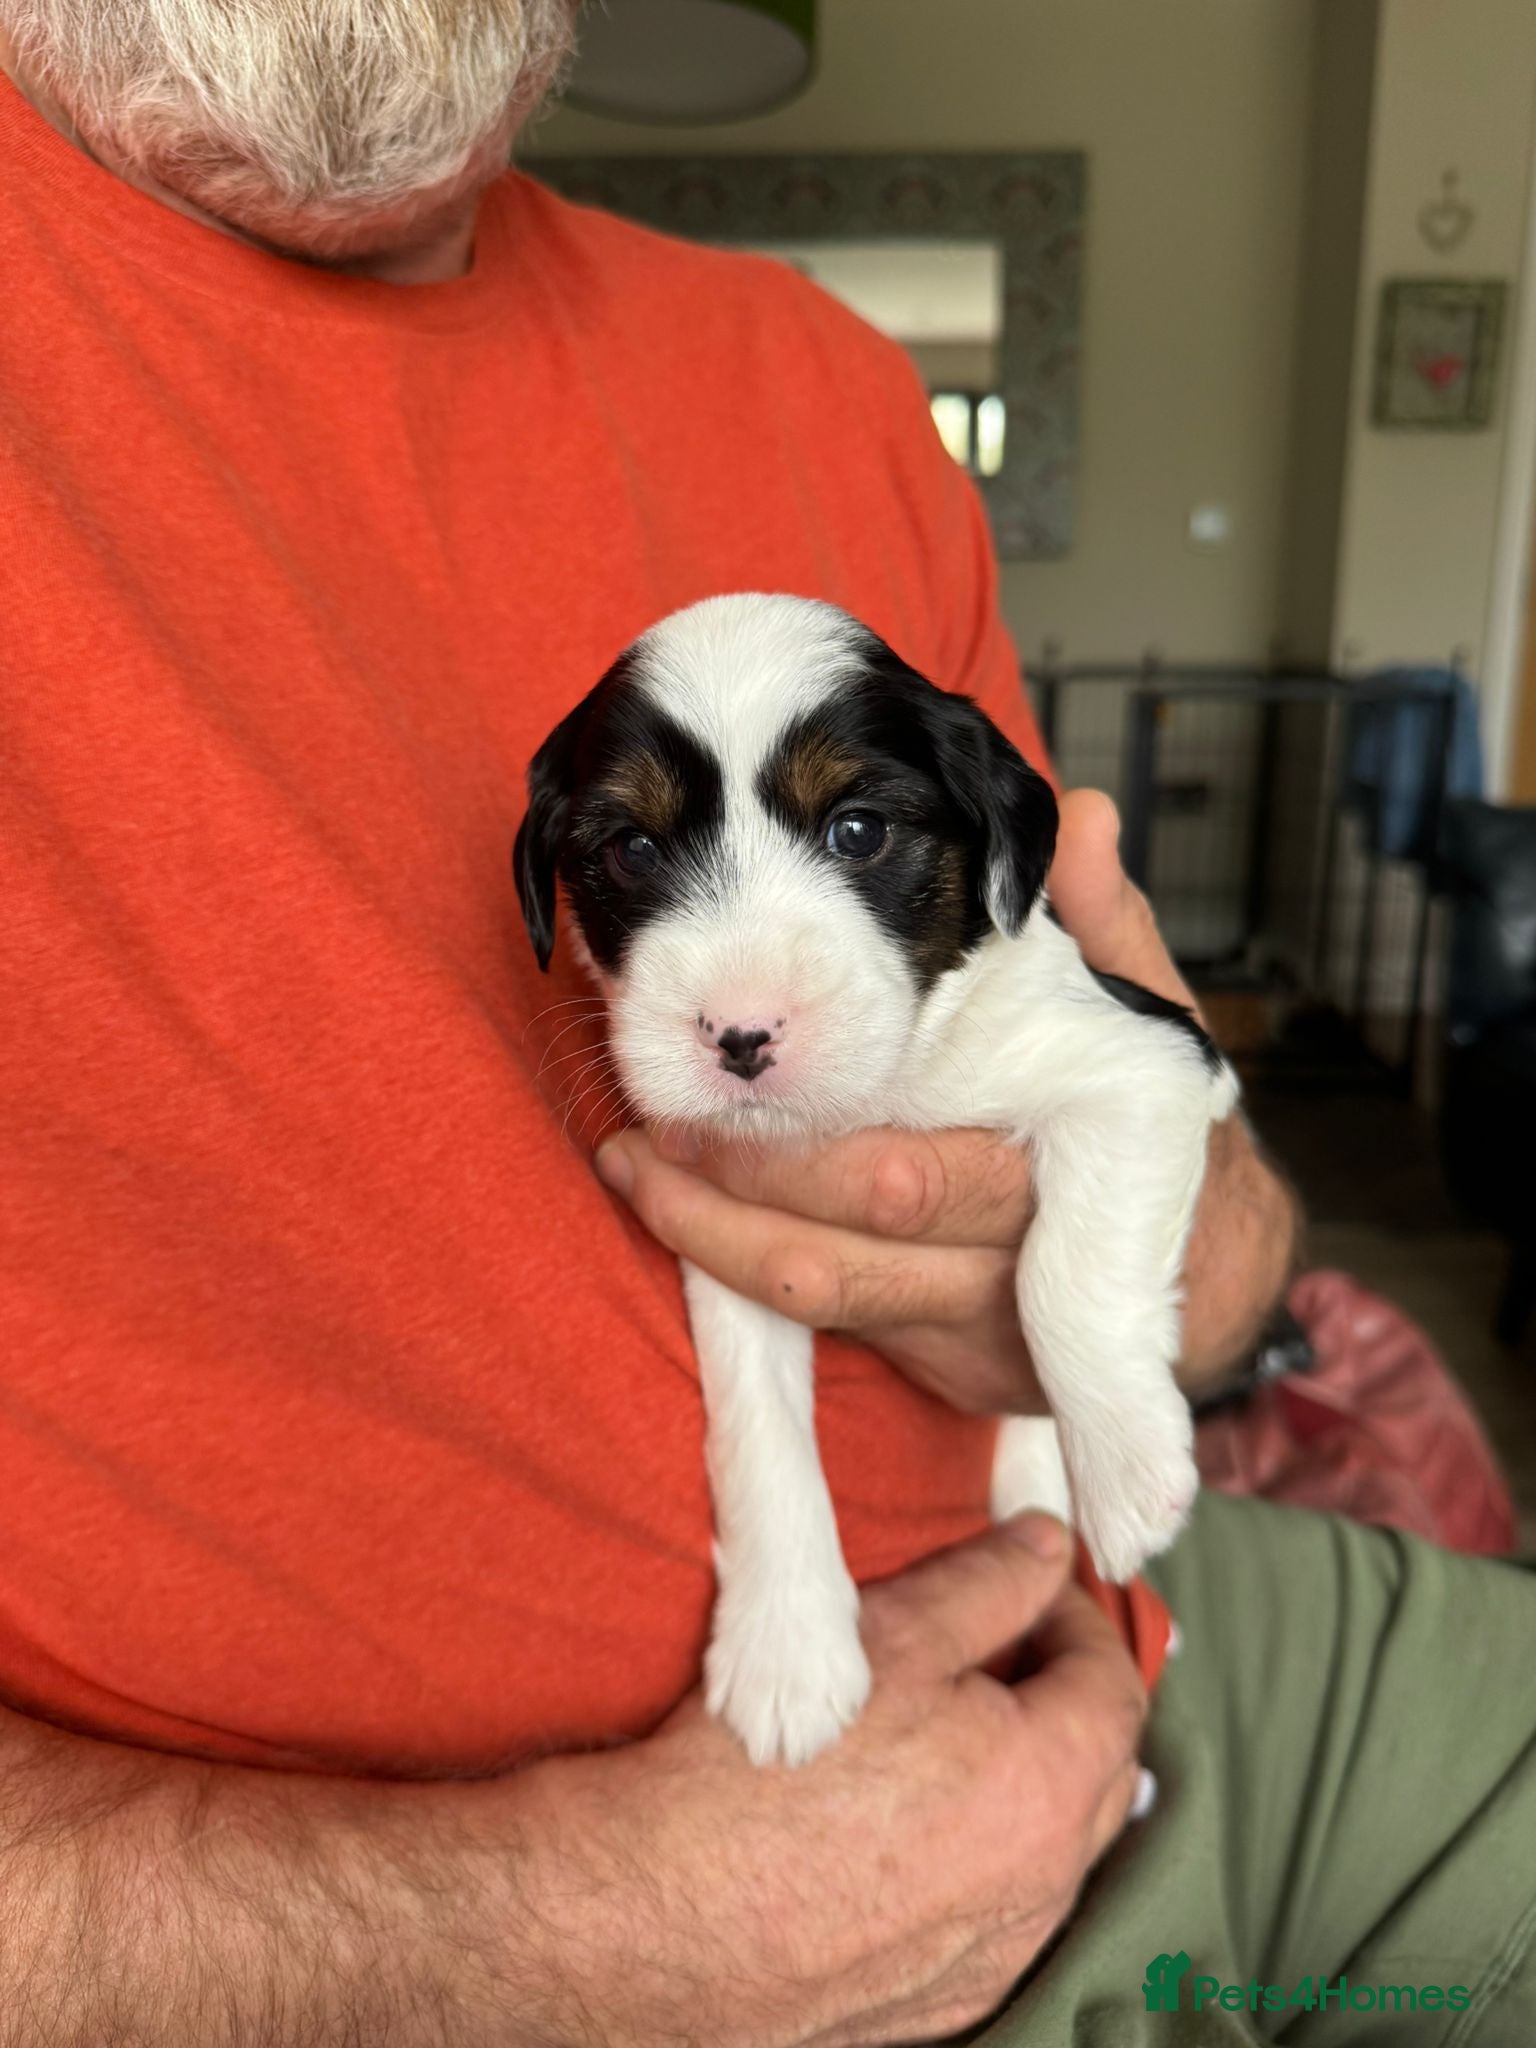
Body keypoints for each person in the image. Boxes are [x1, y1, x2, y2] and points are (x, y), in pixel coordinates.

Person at [1, 5, 1532, 2041]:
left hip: (1152, 1653)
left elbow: (1131, 1069)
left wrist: (1200, 1262)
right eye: (632, 863)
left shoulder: (817, 376)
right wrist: (504, 1949)